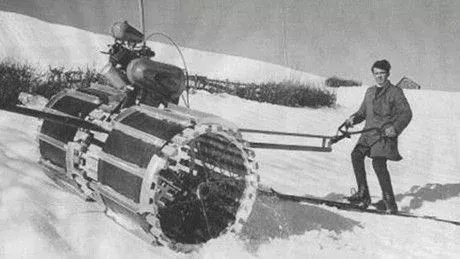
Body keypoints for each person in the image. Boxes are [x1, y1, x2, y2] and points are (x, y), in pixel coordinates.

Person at [343, 59, 412, 213]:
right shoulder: (370, 92)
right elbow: (362, 113)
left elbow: (406, 113)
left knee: (378, 164)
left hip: (384, 135)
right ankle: (363, 195)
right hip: (368, 134)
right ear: (373, 74)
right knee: (356, 155)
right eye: (376, 73)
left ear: (388, 74)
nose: (379, 76)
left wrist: (395, 128)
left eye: (382, 73)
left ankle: (390, 203)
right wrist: (352, 119)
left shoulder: (395, 92)